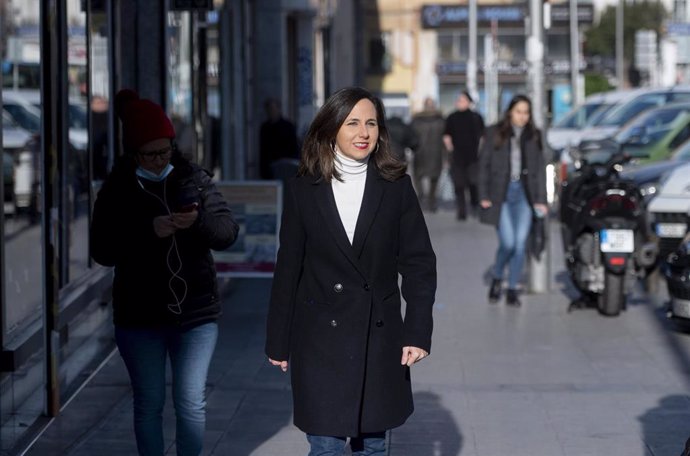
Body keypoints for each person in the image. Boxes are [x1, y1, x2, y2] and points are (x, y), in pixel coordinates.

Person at [265, 86, 437, 456]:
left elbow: (419, 262)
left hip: (379, 337)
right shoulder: (303, 188)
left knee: (372, 446)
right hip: (319, 341)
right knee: (325, 447)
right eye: (353, 123)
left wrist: (418, 330)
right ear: (331, 131)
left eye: (371, 123)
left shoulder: (395, 186)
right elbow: (289, 265)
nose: (363, 133)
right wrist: (277, 338)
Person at [90, 89, 239, 456]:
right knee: (149, 401)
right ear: (133, 153)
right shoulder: (118, 189)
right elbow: (102, 251)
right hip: (139, 317)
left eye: (164, 151)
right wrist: (147, 231)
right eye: (150, 154)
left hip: (195, 315)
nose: (158, 161)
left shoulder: (194, 180)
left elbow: (227, 233)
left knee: (190, 402)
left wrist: (196, 222)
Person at [478, 94, 547, 307]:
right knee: (507, 242)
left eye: (526, 112)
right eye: (519, 112)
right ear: (510, 112)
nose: (523, 117)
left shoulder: (534, 135)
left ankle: (512, 288)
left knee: (519, 245)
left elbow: (539, 170)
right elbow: (484, 165)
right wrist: (483, 195)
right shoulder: (494, 132)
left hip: (524, 195)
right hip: (502, 195)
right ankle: (498, 277)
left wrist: (541, 199)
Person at [443, 90, 485, 220]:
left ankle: (475, 205)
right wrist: (450, 149)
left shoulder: (476, 117)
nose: (459, 102)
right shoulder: (452, 117)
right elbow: (446, 135)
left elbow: (483, 136)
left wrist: (480, 151)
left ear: (469, 102)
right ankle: (461, 211)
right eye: (458, 100)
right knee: (459, 185)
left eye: (462, 100)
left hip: (473, 157)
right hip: (457, 157)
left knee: (473, 183)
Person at [411, 97, 445, 212]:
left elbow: (410, 136)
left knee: (418, 176)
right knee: (434, 177)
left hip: (419, 152)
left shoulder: (416, 120)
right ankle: (431, 200)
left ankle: (421, 196)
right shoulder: (440, 120)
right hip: (436, 152)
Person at [259, 97, 300, 179]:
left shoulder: (288, 126)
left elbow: (294, 146)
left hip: (287, 166)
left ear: (278, 109)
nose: (271, 112)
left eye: (273, 109)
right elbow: (263, 151)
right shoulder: (265, 128)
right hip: (270, 168)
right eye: (269, 109)